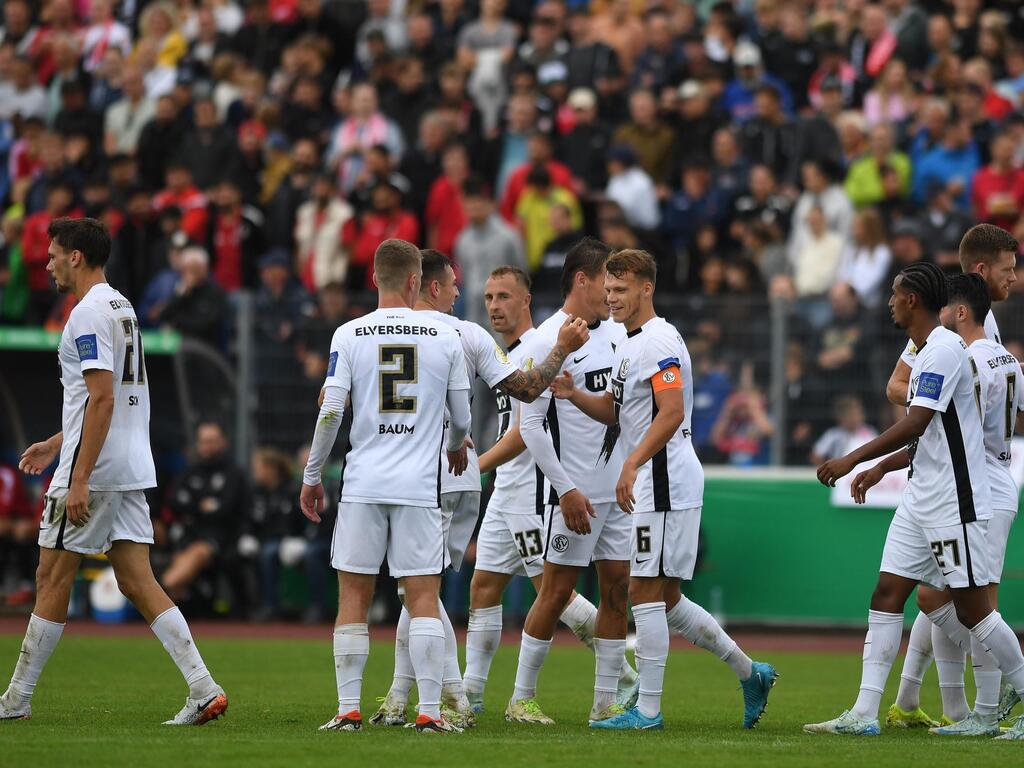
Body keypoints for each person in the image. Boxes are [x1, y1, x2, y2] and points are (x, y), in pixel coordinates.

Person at [1, 217, 227, 725]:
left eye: (54, 253)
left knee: (51, 574)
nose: (48, 262)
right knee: (135, 577)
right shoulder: (122, 307)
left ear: (76, 257)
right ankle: (203, 687)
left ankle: (16, 699)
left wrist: (77, 474)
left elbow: (102, 399)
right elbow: (112, 399)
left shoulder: (85, 313)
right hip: (128, 463)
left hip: (96, 469)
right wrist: (57, 439)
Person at [548, 248, 778, 731]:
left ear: (646, 288)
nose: (612, 299)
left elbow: (671, 412)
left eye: (622, 290)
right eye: (608, 290)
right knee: (666, 599)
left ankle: (648, 710)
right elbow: (618, 413)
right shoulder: (629, 345)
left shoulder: (658, 340)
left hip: (665, 480)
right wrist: (574, 396)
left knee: (642, 592)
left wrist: (631, 462)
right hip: (654, 481)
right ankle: (750, 673)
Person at [371, 250, 590, 727]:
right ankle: (445, 695)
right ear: (431, 287)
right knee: (439, 589)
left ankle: (440, 697)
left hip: (397, 474)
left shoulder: (369, 331)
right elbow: (527, 390)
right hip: (453, 477)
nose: (467, 297)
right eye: (457, 287)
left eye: (498, 295)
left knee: (424, 590)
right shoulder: (467, 335)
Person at [806, 261, 1024, 740]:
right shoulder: (929, 350)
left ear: (912, 301)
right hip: (921, 497)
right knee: (887, 594)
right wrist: (882, 466)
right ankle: (864, 712)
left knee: (973, 610)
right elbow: (930, 436)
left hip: (954, 499)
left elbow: (917, 422)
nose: (888, 301)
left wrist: (852, 459)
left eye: (894, 294)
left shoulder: (946, 350)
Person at [299, 239, 472, 734]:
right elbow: (461, 417)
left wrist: (313, 475)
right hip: (419, 485)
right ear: (417, 282)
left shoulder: (349, 334)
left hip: (363, 483)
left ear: (375, 278)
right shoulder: (445, 336)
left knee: (353, 595)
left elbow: (331, 410)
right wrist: (455, 444)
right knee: (422, 597)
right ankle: (430, 714)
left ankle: (349, 710)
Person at [464, 266, 638, 713]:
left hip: (530, 487)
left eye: (504, 296)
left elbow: (526, 431)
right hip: (506, 489)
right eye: (488, 297)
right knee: (484, 586)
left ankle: (621, 676)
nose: (494, 307)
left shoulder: (544, 347)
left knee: (555, 590)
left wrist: (475, 468)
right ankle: (472, 693)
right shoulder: (504, 356)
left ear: (526, 301)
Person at [502, 238, 631, 727]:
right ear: (582, 280)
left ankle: (605, 704)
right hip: (570, 494)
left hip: (615, 491)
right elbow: (529, 426)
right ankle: (521, 699)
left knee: (617, 588)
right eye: (606, 283)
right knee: (555, 592)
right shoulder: (546, 341)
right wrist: (564, 489)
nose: (612, 294)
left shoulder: (616, 334)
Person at [917, 273, 1022, 735]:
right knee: (958, 601)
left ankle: (999, 693)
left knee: (973, 604)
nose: (939, 319)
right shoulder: (1010, 360)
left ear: (961, 311)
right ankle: (982, 709)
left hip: (975, 484)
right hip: (1000, 477)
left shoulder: (967, 360)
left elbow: (960, 429)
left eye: (945, 310)